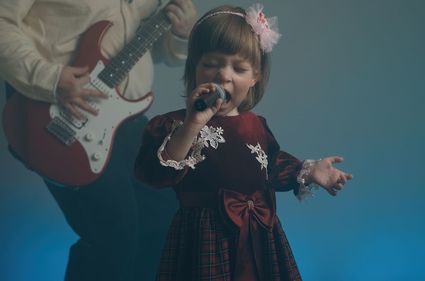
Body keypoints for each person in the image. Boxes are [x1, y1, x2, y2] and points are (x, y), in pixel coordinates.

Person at [134, 4, 354, 281]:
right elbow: (155, 173)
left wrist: (310, 172)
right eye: (211, 64)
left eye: (238, 68)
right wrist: (193, 123)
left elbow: (273, 165)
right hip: (204, 240)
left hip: (258, 235)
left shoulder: (256, 127)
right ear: (195, 67)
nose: (223, 75)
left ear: (255, 77)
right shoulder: (174, 124)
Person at [0, 0, 197, 280]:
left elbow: (148, 47)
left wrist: (180, 35)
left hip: (121, 116)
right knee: (113, 235)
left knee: (166, 219)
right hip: (57, 113)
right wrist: (52, 79)